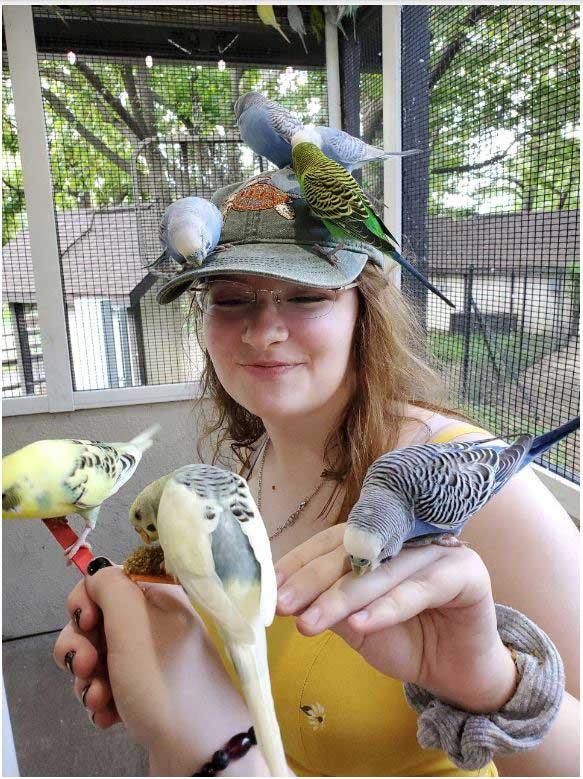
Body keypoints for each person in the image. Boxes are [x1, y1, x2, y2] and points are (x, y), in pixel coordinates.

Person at [54, 168, 579, 777]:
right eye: (229, 299)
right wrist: (178, 640)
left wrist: (493, 683)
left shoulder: (471, 487)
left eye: (306, 296)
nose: (264, 331)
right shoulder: (248, 465)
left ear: (365, 309)